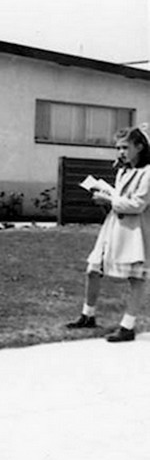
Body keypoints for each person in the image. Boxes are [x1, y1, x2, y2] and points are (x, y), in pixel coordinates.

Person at [66, 125, 150, 342]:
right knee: (93, 266)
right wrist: (104, 199)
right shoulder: (123, 170)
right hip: (113, 227)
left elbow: (138, 204)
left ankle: (128, 326)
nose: (121, 152)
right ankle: (88, 315)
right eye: (118, 148)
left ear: (140, 147)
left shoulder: (148, 172)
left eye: (125, 147)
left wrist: (110, 200)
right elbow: (120, 200)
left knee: (136, 277)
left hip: (135, 230)